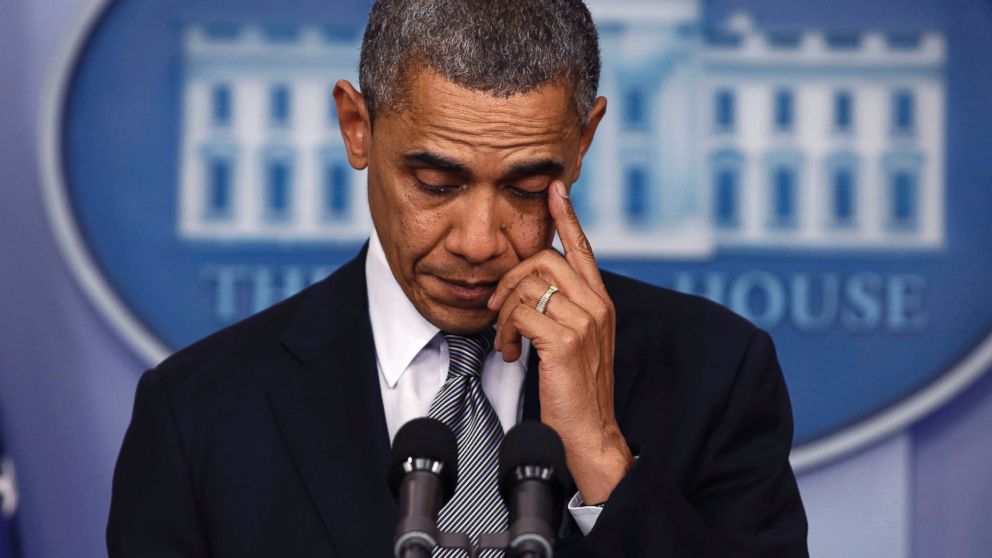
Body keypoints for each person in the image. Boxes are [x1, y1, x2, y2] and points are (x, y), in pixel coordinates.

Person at [108, 1, 808, 556]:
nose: (479, 242)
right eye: (436, 182)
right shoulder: (197, 414)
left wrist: (601, 459)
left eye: (529, 187)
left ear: (584, 140)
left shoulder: (717, 372)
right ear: (357, 127)